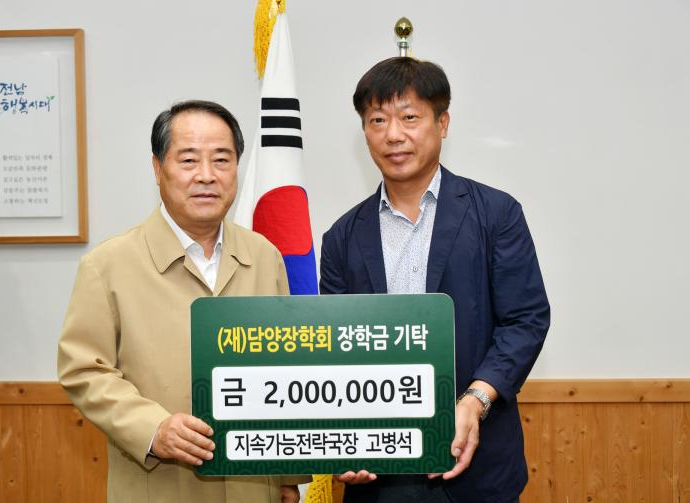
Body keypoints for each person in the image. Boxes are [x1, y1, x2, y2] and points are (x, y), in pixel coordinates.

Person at [319, 58, 550, 503]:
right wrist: (343, 439)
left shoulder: (496, 214)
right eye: (377, 120)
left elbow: (526, 320)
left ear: (442, 123)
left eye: (409, 117)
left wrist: (476, 400)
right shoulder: (341, 238)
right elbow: (335, 349)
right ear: (364, 131)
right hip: (377, 476)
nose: (393, 134)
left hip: (478, 471)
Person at [58, 100, 307, 503]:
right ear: (158, 169)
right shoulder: (108, 265)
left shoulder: (265, 256)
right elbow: (84, 370)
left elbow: (283, 367)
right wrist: (153, 428)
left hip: (251, 487)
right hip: (160, 486)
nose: (206, 175)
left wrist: (286, 477)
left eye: (221, 160)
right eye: (189, 160)